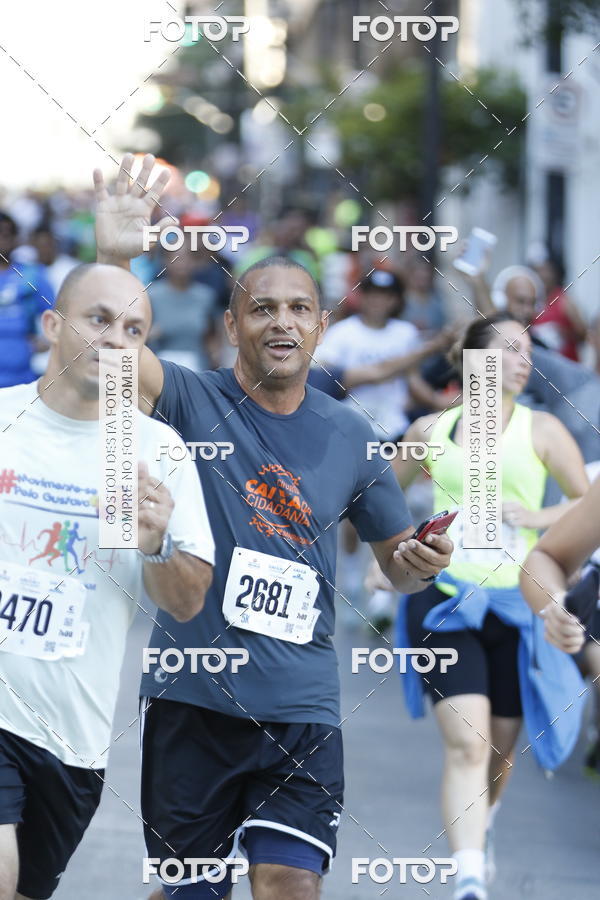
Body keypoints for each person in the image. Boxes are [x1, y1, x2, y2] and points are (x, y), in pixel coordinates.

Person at [93, 152, 454, 900]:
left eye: (297, 309)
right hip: (192, 702)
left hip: (301, 708)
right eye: (263, 308)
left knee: (291, 883)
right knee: (192, 893)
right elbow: (114, 360)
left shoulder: (353, 434)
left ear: (323, 326)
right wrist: (111, 257)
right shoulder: (192, 400)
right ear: (233, 325)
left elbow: (396, 562)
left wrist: (422, 562)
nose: (281, 321)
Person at [0, 263, 215, 900]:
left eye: (134, 330)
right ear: (52, 324)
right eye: (99, 320)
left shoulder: (158, 451)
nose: (116, 340)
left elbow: (186, 601)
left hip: (72, 739)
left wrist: (157, 546)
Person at [383, 313, 588, 900]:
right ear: (475, 359)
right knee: (468, 742)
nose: (525, 361)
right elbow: (379, 497)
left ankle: (483, 824)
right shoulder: (432, 429)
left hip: (517, 604)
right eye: (511, 350)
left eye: (529, 352)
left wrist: (538, 517)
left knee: (500, 746)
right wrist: (407, 547)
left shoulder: (543, 429)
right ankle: (468, 879)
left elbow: (583, 505)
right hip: (446, 601)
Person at [0, 211, 55, 387]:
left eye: (7, 233)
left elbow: (58, 314)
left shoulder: (31, 275)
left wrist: (47, 341)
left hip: (21, 376)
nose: (2, 238)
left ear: (16, 238)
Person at [148, 243, 220, 373]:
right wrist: (149, 335)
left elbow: (212, 336)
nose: (182, 264)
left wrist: (215, 357)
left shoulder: (205, 296)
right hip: (160, 368)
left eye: (186, 258)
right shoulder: (152, 294)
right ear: (165, 261)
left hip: (196, 369)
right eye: (176, 258)